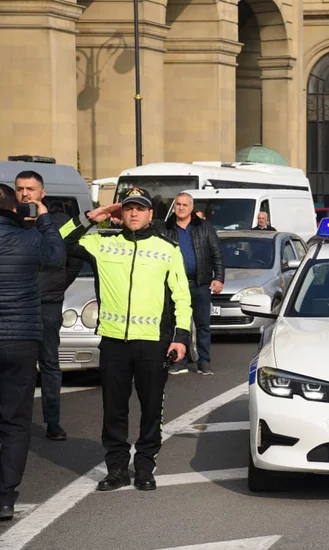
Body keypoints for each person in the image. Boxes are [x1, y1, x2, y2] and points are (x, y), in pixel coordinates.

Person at [60, 187, 191, 492]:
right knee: (114, 409)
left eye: (140, 208)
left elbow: (182, 297)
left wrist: (180, 336)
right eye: (128, 208)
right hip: (114, 342)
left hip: (153, 342)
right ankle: (117, 468)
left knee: (150, 408)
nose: (133, 213)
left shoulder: (167, 248)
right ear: (121, 212)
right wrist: (95, 215)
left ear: (150, 214)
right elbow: (60, 240)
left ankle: (145, 466)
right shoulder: (102, 244)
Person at [0, 183, 66, 520]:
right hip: (21, 340)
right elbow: (57, 256)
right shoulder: (30, 240)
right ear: (15, 210)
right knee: (14, 422)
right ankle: (6, 497)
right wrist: (43, 220)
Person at [15, 170, 84, 441]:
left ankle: (53, 422)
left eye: (30, 189)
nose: (25, 193)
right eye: (20, 188)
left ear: (42, 193)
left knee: (49, 364)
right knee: (16, 367)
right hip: (17, 305)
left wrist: (58, 285)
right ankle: (15, 424)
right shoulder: (10, 222)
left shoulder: (59, 222)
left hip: (48, 304)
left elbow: (74, 256)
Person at [162, 192, 224, 375]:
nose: (181, 208)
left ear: (191, 207)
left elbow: (217, 254)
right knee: (177, 324)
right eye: (178, 204)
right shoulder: (165, 228)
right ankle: (180, 361)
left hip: (199, 283)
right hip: (174, 285)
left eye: (184, 205)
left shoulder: (204, 227)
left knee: (202, 324)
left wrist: (219, 277)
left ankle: (204, 361)